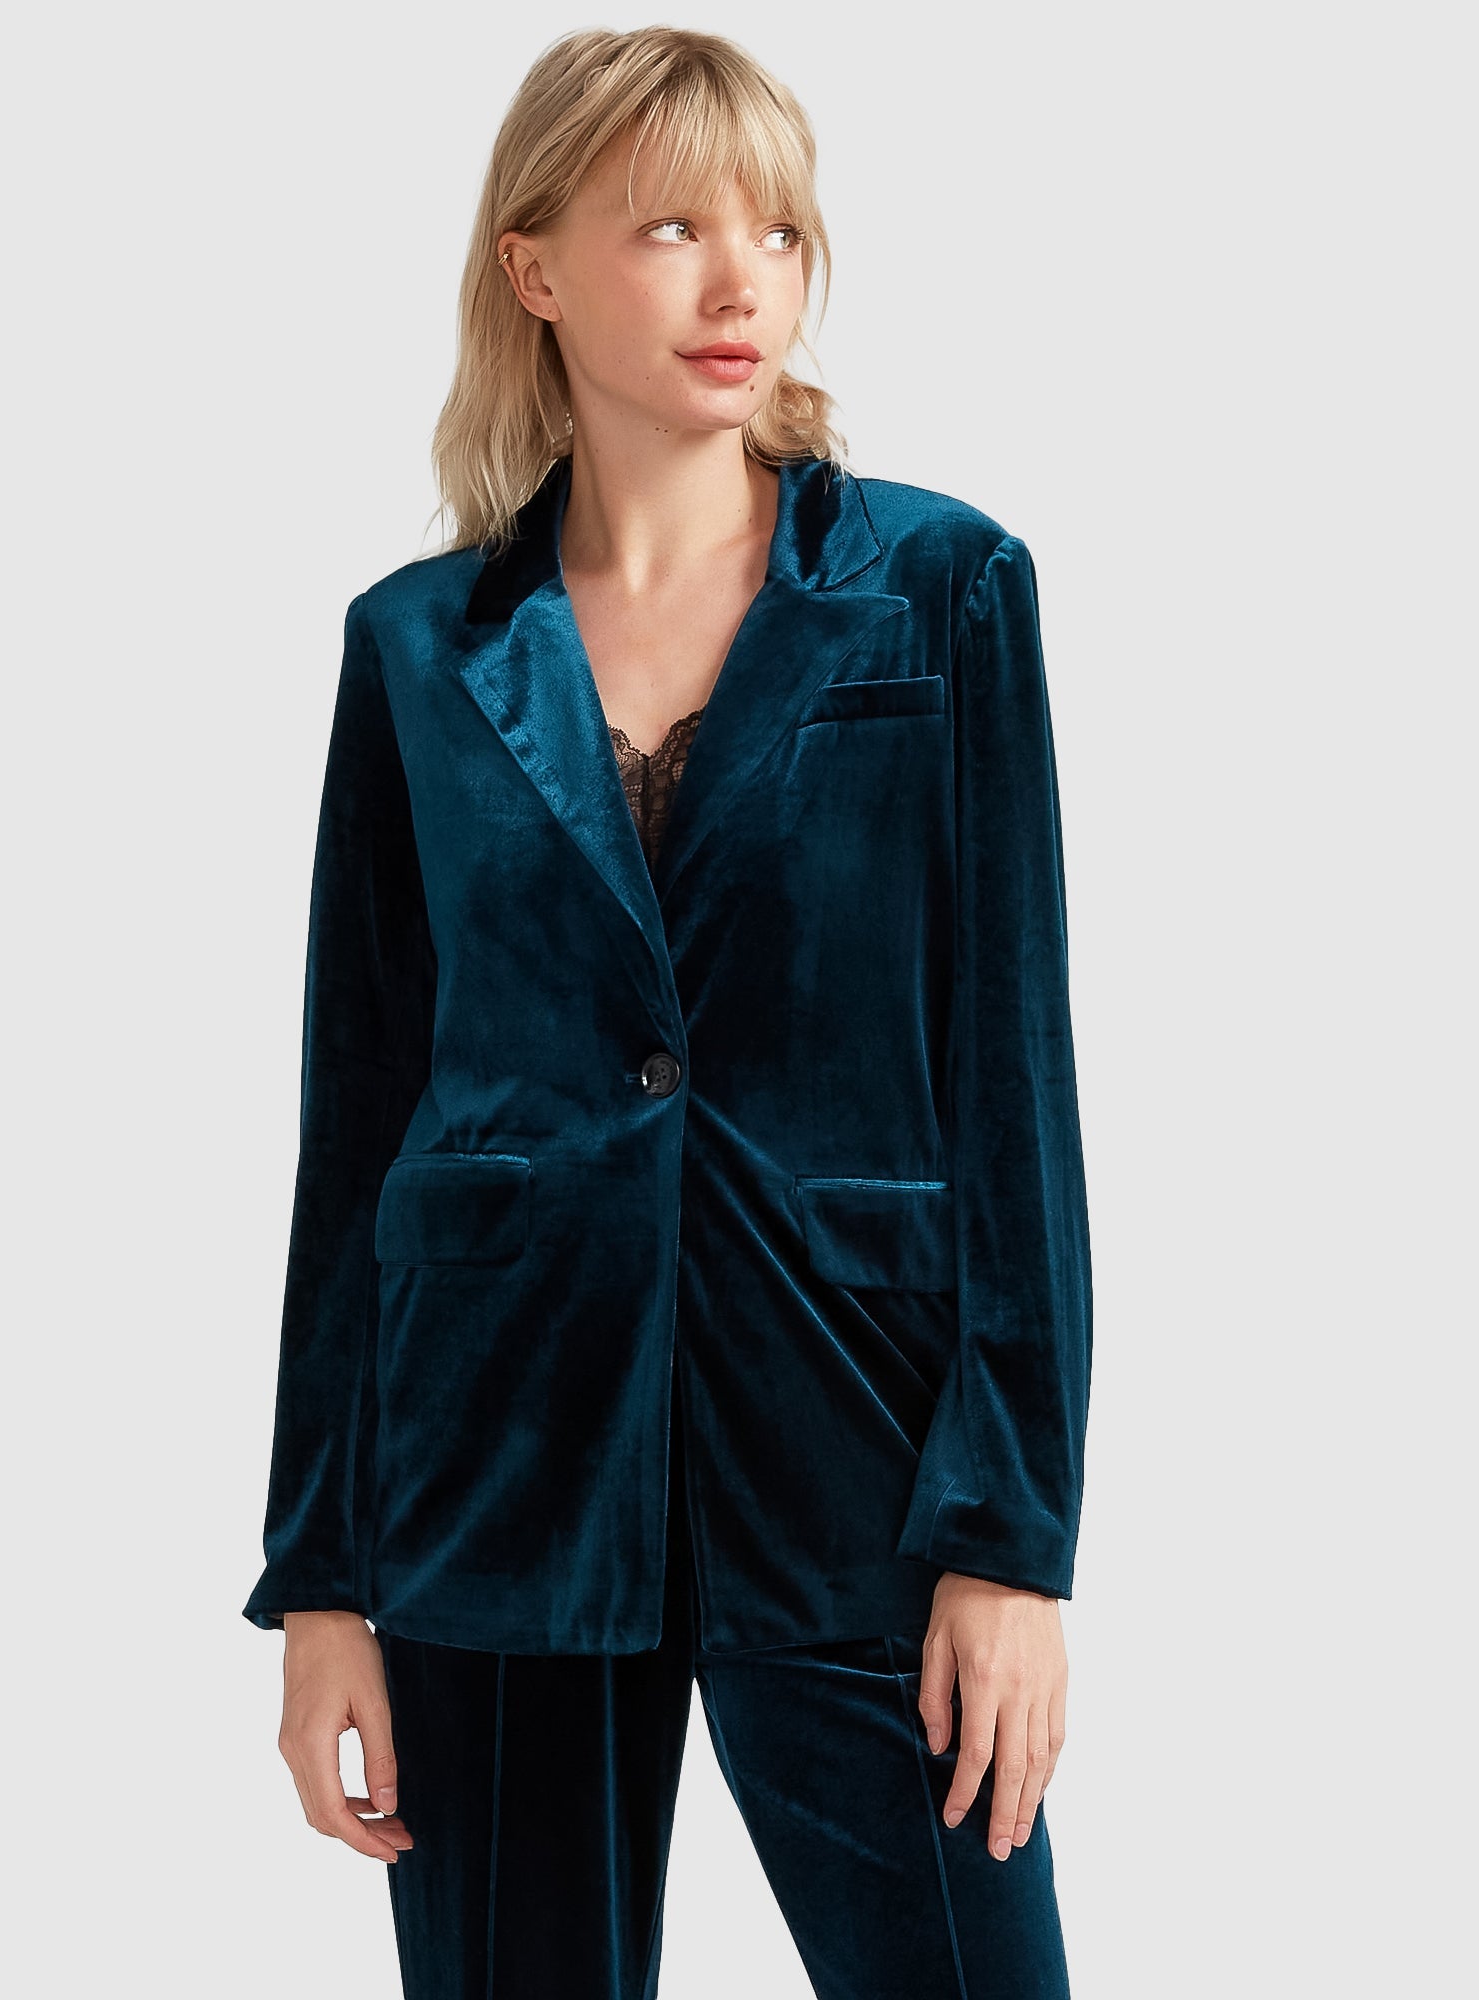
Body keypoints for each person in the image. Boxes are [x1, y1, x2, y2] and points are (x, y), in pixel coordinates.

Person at [243, 25, 1094, 2000]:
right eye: (671, 229)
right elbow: (359, 1123)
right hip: (494, 1477)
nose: (740, 283)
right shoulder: (417, 647)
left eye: (777, 233)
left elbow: (1013, 1086)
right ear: (534, 266)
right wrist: (326, 1576)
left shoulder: (940, 590)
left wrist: (1010, 1534)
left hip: (863, 1455)